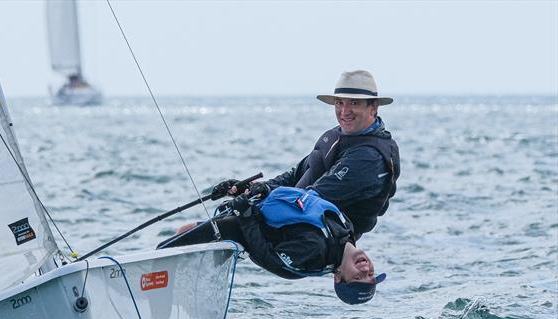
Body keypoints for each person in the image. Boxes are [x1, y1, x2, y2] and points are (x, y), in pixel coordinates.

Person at [212, 70, 400, 240]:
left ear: (373, 107)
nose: (344, 111)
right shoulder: (334, 136)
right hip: (293, 217)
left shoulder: (369, 157)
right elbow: (296, 175)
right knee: (216, 218)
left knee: (217, 228)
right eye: (339, 103)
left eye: (354, 103)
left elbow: (312, 197)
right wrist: (254, 188)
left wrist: (258, 201)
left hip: (320, 237)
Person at [158, 186, 385, 305]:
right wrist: (259, 188)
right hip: (252, 205)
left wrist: (245, 214)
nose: (366, 270)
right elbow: (299, 198)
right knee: (184, 231)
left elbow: (266, 255)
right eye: (371, 275)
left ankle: (155, 301)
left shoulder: (315, 251)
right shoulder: (347, 229)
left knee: (169, 247)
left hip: (241, 225)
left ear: (338, 277)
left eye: (358, 277)